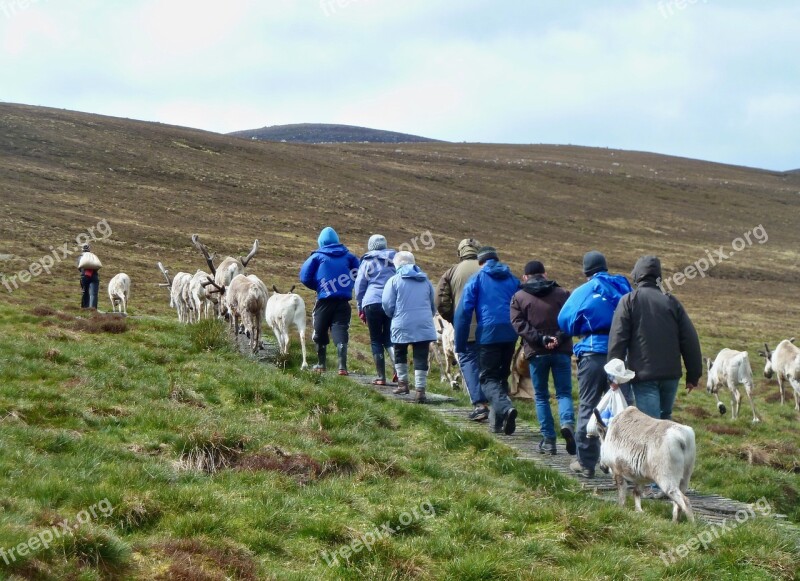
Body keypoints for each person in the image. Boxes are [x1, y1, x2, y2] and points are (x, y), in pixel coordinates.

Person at [558, 251, 632, 478]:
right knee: (623, 410)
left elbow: (564, 320)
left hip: (591, 353)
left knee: (589, 406)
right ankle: (621, 463)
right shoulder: (624, 287)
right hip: (620, 355)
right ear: (605, 266)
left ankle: (586, 462)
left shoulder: (584, 291)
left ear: (586, 270)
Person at [608, 255, 702, 420]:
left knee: (650, 424)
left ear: (637, 275)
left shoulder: (629, 301)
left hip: (644, 375)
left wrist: (614, 375)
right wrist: (693, 375)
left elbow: (618, 339)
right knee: (665, 419)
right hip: (670, 374)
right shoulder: (671, 301)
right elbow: (689, 339)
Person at [510, 260, 575, 455]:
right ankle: (567, 423)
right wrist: (558, 337)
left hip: (536, 352)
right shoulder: (562, 294)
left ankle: (548, 440)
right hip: (561, 350)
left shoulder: (519, 297)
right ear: (545, 274)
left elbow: (518, 323)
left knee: (541, 397)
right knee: (564, 393)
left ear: (525, 277)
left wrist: (541, 339)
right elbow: (571, 319)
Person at [454, 246, 521, 435]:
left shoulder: (477, 279)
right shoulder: (512, 279)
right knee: (500, 376)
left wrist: (460, 343)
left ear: (480, 262)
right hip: (510, 333)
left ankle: (506, 407)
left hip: (489, 334)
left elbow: (463, 313)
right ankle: (497, 424)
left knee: (487, 378)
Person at [435, 238, 489, 421]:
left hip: (466, 328)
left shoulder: (452, 272)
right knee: (490, 364)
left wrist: (455, 320)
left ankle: (480, 405)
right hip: (491, 328)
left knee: (468, 362)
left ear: (460, 252)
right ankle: (498, 405)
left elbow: (441, 302)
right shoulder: (488, 268)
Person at [299, 227, 360, 375]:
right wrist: (347, 285)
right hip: (343, 301)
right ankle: (342, 367)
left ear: (321, 241)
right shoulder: (349, 256)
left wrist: (319, 287)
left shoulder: (317, 257)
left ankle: (321, 364)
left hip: (324, 301)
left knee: (320, 330)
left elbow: (304, 277)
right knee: (340, 330)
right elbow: (359, 273)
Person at [381, 251, 438, 403]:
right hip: (423, 324)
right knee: (421, 356)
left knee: (400, 352)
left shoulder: (394, 281)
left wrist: (394, 315)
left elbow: (387, 304)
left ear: (397, 264)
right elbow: (433, 304)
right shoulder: (425, 281)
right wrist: (428, 316)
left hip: (402, 322)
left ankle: (403, 384)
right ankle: (420, 391)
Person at [354, 234, 397, 385]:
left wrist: (360, 307)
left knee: (376, 340)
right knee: (390, 338)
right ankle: (398, 369)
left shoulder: (367, 261)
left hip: (371, 302)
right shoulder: (394, 260)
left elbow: (360, 286)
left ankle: (381, 377)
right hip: (391, 302)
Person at [77, 244, 100, 309]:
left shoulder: (80, 257)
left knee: (85, 292)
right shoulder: (93, 256)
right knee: (93, 294)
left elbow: (79, 267)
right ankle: (93, 309)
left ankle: (84, 308)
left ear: (82, 249)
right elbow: (97, 266)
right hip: (94, 276)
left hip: (84, 277)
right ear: (89, 249)